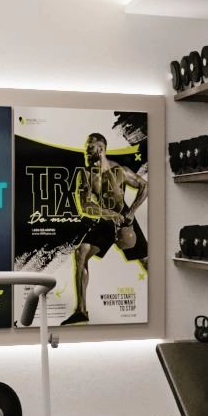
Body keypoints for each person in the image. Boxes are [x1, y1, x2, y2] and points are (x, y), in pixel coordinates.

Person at [66, 131, 148, 325]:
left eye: (90, 146)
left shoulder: (120, 171)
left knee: (147, 261)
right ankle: (81, 311)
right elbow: (85, 206)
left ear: (101, 148)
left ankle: (163, 299)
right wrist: (110, 214)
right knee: (81, 253)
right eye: (86, 146)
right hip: (105, 218)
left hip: (124, 217)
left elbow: (145, 186)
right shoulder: (85, 175)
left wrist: (132, 212)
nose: (86, 150)